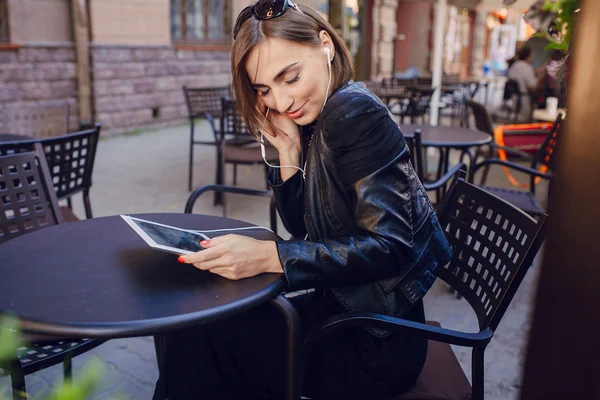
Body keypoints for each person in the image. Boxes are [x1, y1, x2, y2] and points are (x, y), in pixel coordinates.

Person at [153, 1, 452, 399]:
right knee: (199, 329)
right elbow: (301, 225)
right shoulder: (315, 117)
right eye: (264, 89)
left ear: (325, 45)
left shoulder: (354, 112)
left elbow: (390, 247)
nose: (280, 102)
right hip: (343, 312)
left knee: (201, 340)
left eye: (290, 77)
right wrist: (289, 154)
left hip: (375, 343)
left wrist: (268, 257)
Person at [507, 47, 540, 120]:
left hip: (514, 100)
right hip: (523, 101)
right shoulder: (527, 67)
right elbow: (532, 85)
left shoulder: (514, 65)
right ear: (528, 57)